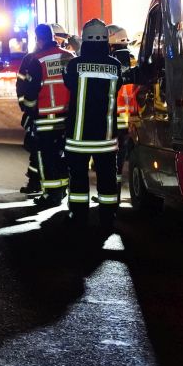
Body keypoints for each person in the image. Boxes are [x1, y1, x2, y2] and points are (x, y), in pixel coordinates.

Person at [60, 19, 123, 229]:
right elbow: (119, 86)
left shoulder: (74, 65)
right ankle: (108, 217)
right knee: (107, 178)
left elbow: (68, 83)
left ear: (85, 39)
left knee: (78, 178)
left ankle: (78, 216)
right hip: (106, 137)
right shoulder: (115, 65)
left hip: (78, 137)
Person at [19, 24, 74, 205]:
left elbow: (30, 92)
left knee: (46, 157)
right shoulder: (69, 57)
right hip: (68, 118)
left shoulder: (37, 60)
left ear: (38, 39)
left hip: (45, 119)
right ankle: (62, 190)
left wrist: (29, 113)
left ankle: (51, 194)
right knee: (63, 155)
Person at [107, 24, 138, 185]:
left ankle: (113, 187)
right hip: (132, 115)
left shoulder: (111, 62)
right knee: (125, 153)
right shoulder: (134, 59)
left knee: (112, 154)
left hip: (115, 115)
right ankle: (117, 186)